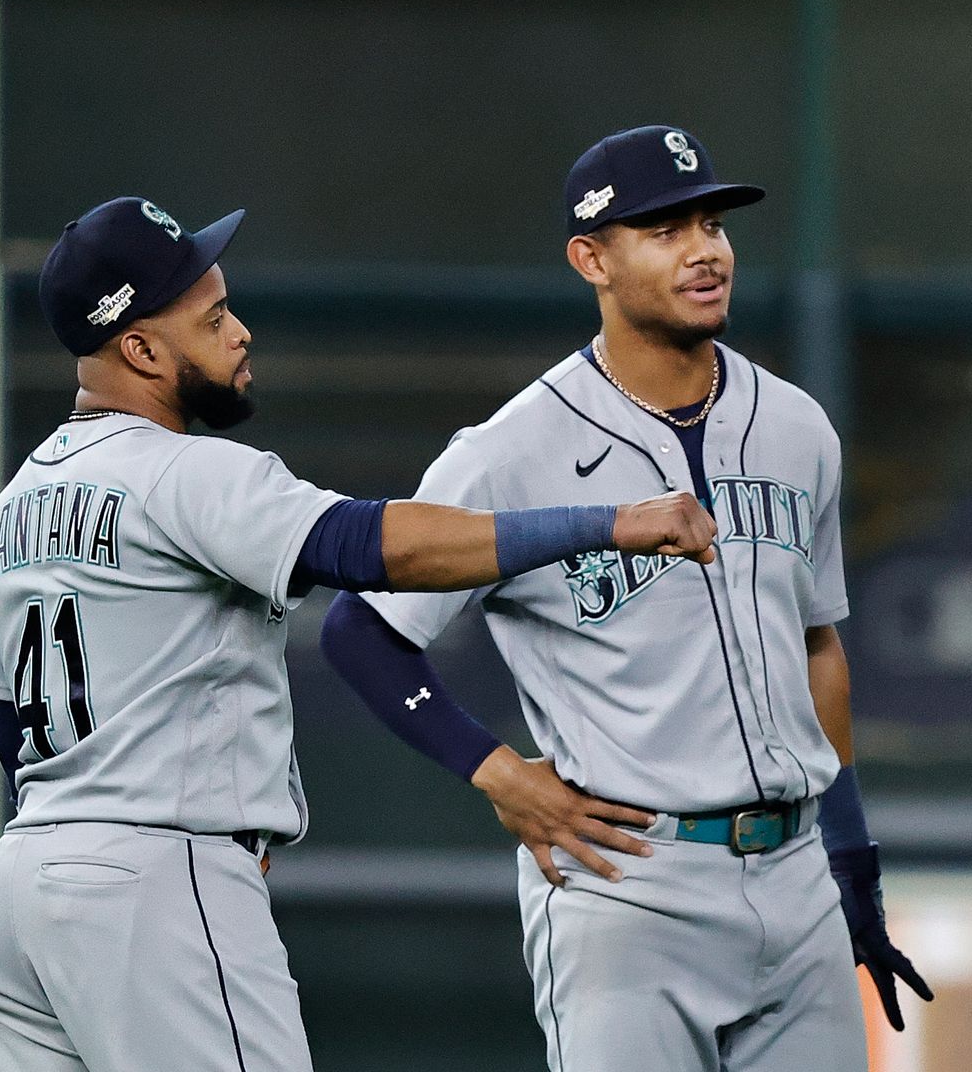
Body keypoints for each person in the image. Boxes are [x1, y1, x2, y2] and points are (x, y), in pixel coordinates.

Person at [0, 196, 715, 1072]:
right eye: (213, 317)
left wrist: (53, 865)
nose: (239, 334)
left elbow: (14, 731)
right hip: (152, 884)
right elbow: (373, 549)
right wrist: (608, 522)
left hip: (17, 904)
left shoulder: (8, 512)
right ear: (142, 349)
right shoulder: (182, 473)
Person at [320, 125, 931, 1070]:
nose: (705, 250)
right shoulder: (510, 449)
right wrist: (498, 774)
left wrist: (851, 862)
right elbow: (362, 629)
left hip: (798, 875)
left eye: (712, 224)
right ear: (591, 257)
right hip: (631, 884)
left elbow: (817, 650)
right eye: (664, 229)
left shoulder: (798, 425)